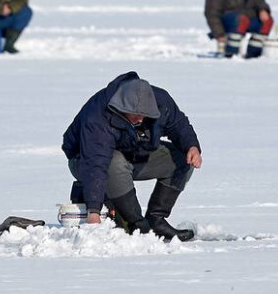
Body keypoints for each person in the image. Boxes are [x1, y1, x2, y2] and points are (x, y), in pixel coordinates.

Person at [61, 72, 203, 241]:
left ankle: (156, 219)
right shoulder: (98, 117)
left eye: (144, 114)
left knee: (182, 158)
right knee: (114, 161)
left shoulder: (160, 101)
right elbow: (95, 164)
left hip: (133, 153)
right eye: (134, 114)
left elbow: (178, 124)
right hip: (84, 161)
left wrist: (192, 146)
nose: (139, 119)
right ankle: (137, 224)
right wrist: (94, 211)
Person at [204, 0, 274, 58]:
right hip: (229, 20)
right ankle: (231, 53)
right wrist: (219, 33)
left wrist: (263, 10)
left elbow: (260, 1)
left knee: (267, 21)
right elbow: (212, 13)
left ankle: (254, 54)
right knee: (241, 19)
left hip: (246, 18)